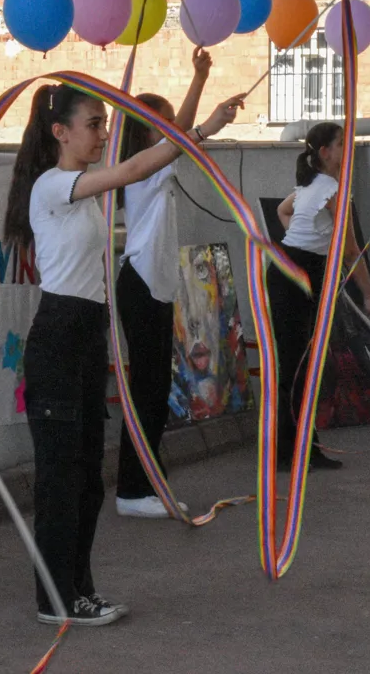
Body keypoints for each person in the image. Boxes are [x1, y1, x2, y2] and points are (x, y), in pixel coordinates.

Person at [3, 81, 245, 627]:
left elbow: (138, 165)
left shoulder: (84, 191)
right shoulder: (52, 185)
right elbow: (136, 168)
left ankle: (78, 589)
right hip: (60, 336)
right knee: (62, 479)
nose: (103, 133)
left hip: (87, 333)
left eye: (104, 123)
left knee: (88, 477)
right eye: (94, 124)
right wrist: (204, 129)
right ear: (60, 131)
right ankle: (55, 598)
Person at [114, 47, 233, 519]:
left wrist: (201, 86)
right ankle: (132, 489)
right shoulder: (145, 165)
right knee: (145, 391)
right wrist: (201, 91)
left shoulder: (153, 164)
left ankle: (147, 478)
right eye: (160, 124)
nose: (170, 131)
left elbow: (179, 135)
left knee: (154, 390)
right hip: (141, 283)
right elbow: (181, 135)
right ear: (147, 129)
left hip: (154, 286)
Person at [269, 122, 370, 471]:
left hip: (297, 269)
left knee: (302, 364)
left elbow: (282, 212)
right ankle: (292, 453)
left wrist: (308, 242)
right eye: (342, 144)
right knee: (297, 365)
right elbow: (350, 249)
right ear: (325, 153)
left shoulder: (314, 184)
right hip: (296, 274)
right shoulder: (330, 189)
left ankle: (301, 449)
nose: (349, 150)